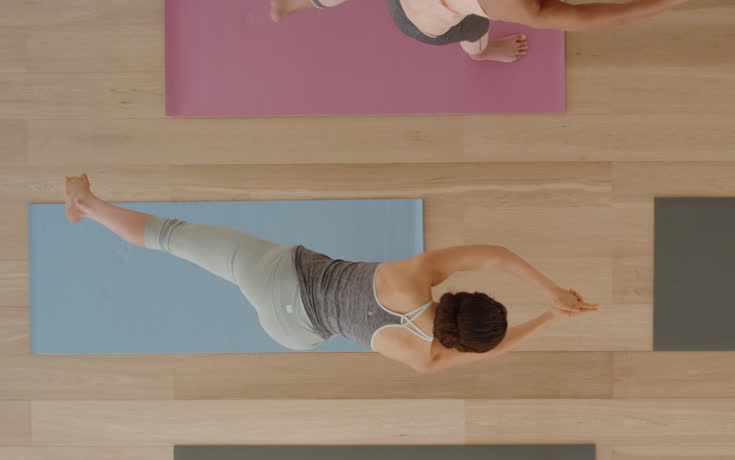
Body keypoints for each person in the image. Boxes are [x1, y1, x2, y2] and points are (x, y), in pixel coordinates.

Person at [62, 174, 597, 373]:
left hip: (280, 277)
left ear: (462, 296)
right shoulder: (425, 358)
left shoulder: (414, 277)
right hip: (294, 334)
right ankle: (85, 204)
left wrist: (549, 290)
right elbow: (493, 350)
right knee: (202, 258)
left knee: (173, 236)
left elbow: (497, 253)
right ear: (463, 342)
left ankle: (85, 201)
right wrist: (547, 321)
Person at [271, 0, 690, 63]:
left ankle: (294, 3)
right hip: (424, 24)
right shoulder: (516, 6)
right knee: (476, 29)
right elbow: (594, 18)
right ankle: (482, 54)